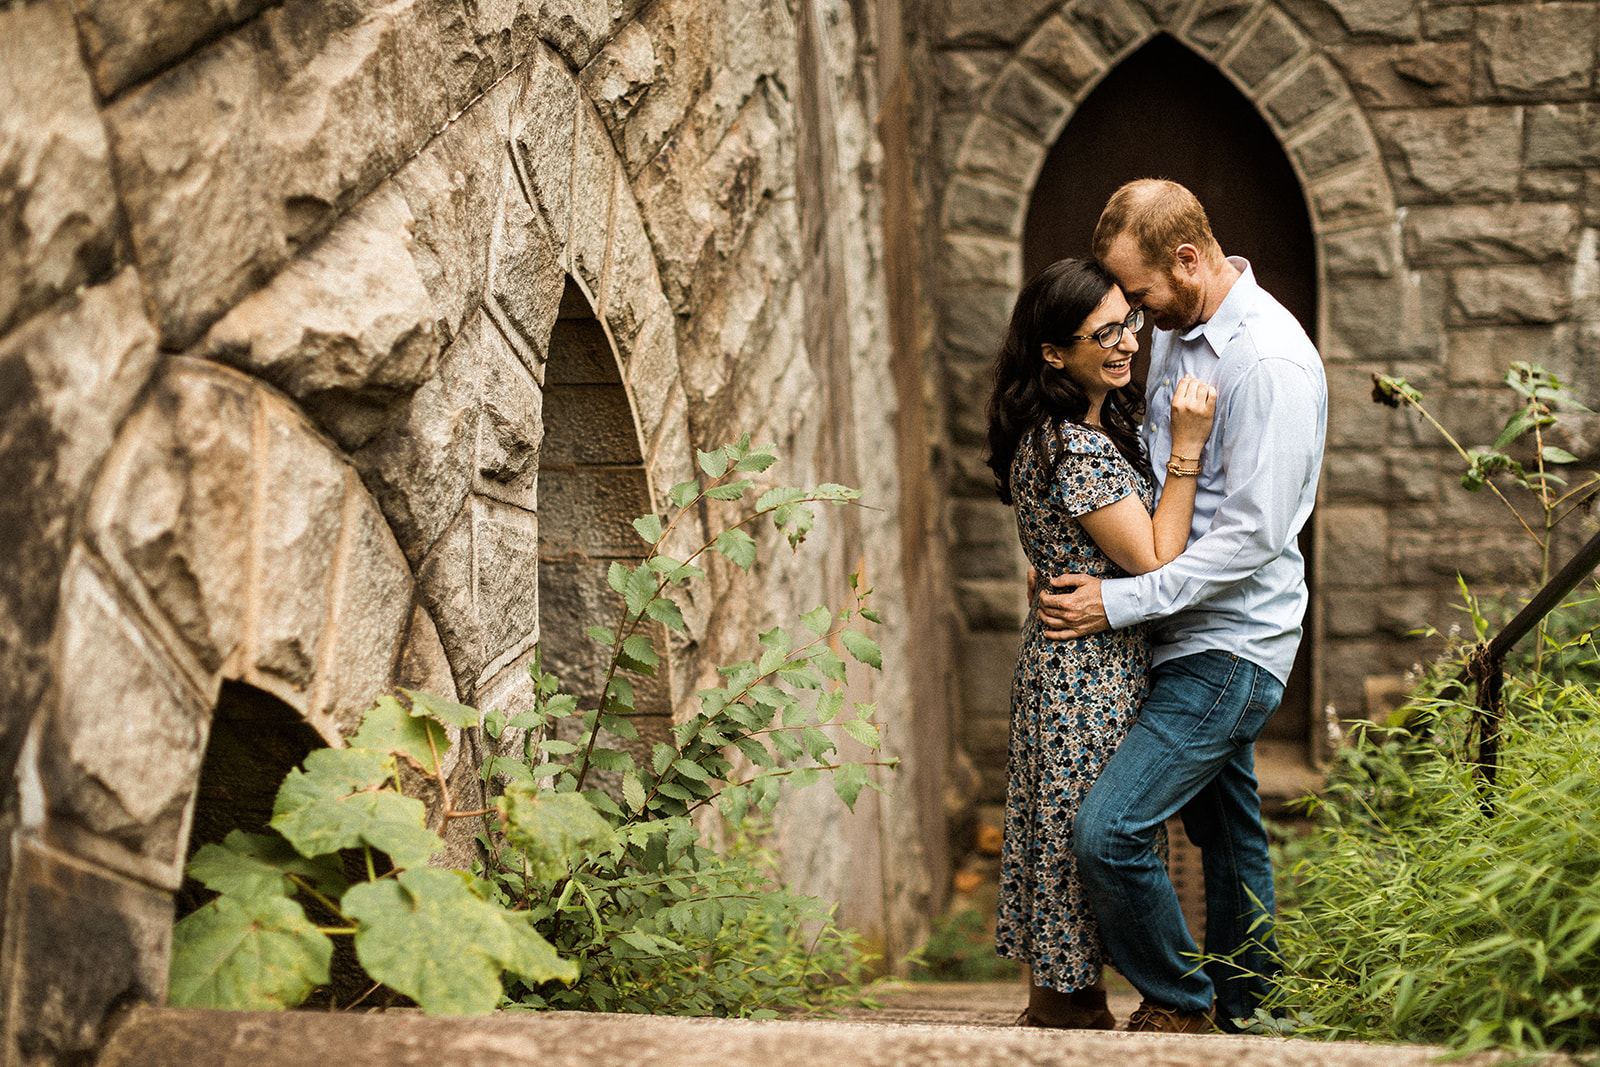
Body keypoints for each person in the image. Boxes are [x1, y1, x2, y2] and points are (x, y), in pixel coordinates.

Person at [1038, 178, 1327, 1034]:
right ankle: (1246, 1012)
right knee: (1229, 833)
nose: (1129, 309)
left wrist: (1118, 602)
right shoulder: (1175, 336)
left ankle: (1181, 999)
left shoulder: (1268, 362)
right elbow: (1156, 490)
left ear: (1189, 258)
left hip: (1231, 645)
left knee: (1109, 831)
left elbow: (1249, 538)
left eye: (1138, 289)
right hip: (1177, 634)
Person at [984, 257, 1216, 1030]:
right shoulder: (1075, 449)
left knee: (1063, 826)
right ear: (1054, 351)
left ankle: (1064, 1010)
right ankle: (1067, 1017)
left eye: (1129, 323)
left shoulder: (1070, 432)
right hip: (1088, 671)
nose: (1126, 343)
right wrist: (1187, 447)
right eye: (1105, 332)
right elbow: (1155, 556)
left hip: (1071, 661)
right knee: (1082, 833)